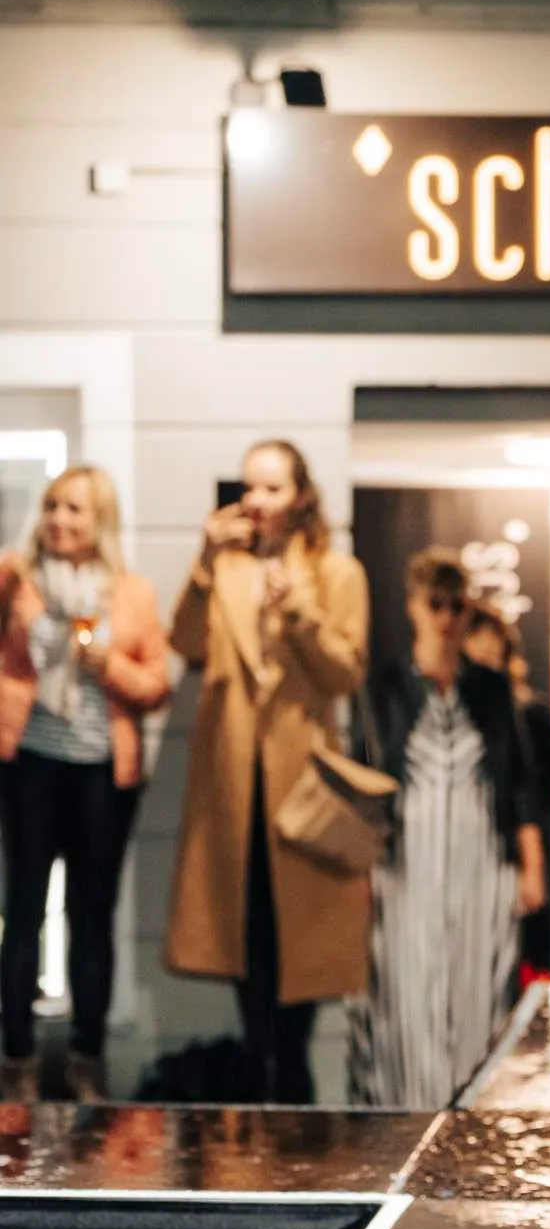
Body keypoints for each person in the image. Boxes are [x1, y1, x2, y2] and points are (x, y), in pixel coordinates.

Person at [165, 441, 369, 1105]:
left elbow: (346, 673)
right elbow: (187, 646)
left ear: (302, 496)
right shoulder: (223, 569)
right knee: (243, 939)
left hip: (304, 790)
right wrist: (201, 562)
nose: (256, 501)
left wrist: (301, 613)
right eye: (249, 487)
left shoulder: (337, 572)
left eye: (272, 488)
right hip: (232, 787)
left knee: (299, 951)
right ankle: (257, 1092)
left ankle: (296, 1102)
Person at [349, 553, 546, 1108]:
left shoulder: (490, 689)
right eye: (434, 604)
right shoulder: (384, 686)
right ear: (413, 607)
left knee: (477, 988)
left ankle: (473, 1114)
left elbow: (518, 782)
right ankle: (400, 1117)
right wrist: (359, 870)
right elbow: (362, 779)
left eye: (456, 605)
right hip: (403, 860)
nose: (446, 618)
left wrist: (532, 865)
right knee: (401, 991)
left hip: (479, 857)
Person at [0, 468, 170, 1100]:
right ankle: (14, 1059)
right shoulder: (16, 579)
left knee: (91, 914)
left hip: (102, 769)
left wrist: (109, 665)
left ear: (98, 518)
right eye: (51, 506)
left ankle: (86, 1060)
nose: (58, 519)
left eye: (73, 508)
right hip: (30, 764)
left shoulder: (131, 593)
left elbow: (156, 686)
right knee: (22, 908)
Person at [467, 603, 550, 971]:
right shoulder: (446, 709)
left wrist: (542, 794)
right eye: (479, 648)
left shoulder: (521, 707)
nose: (486, 657)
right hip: (468, 841)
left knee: (520, 948)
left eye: (493, 649)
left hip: (516, 837)